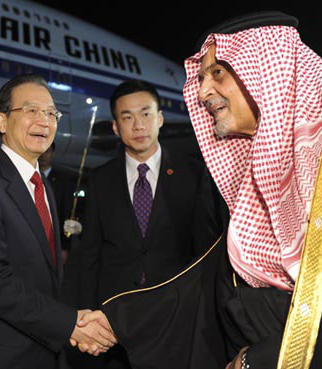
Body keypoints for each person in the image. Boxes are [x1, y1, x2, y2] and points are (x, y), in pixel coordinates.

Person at [181, 11, 322, 369]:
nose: (202, 92)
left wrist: (257, 360)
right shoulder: (248, 169)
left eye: (218, 73)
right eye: (201, 78)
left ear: (268, 72)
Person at [0, 74, 117, 369]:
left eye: (51, 113)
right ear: (2, 122)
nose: (44, 121)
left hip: (43, 348)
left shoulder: (43, 187)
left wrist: (70, 321)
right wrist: (70, 324)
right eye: (30, 111)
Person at [79, 79, 220, 368]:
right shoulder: (100, 180)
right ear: (116, 127)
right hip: (114, 321)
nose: (138, 125)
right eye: (127, 117)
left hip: (174, 316)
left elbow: (204, 252)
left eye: (145, 114)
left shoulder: (193, 173)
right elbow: (88, 256)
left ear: (160, 118)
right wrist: (84, 318)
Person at [38, 142, 76, 264]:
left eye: (47, 152)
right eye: (41, 152)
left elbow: (66, 215)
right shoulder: (29, 176)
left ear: (53, 154)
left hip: (54, 240)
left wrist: (65, 247)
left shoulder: (64, 181)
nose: (43, 155)